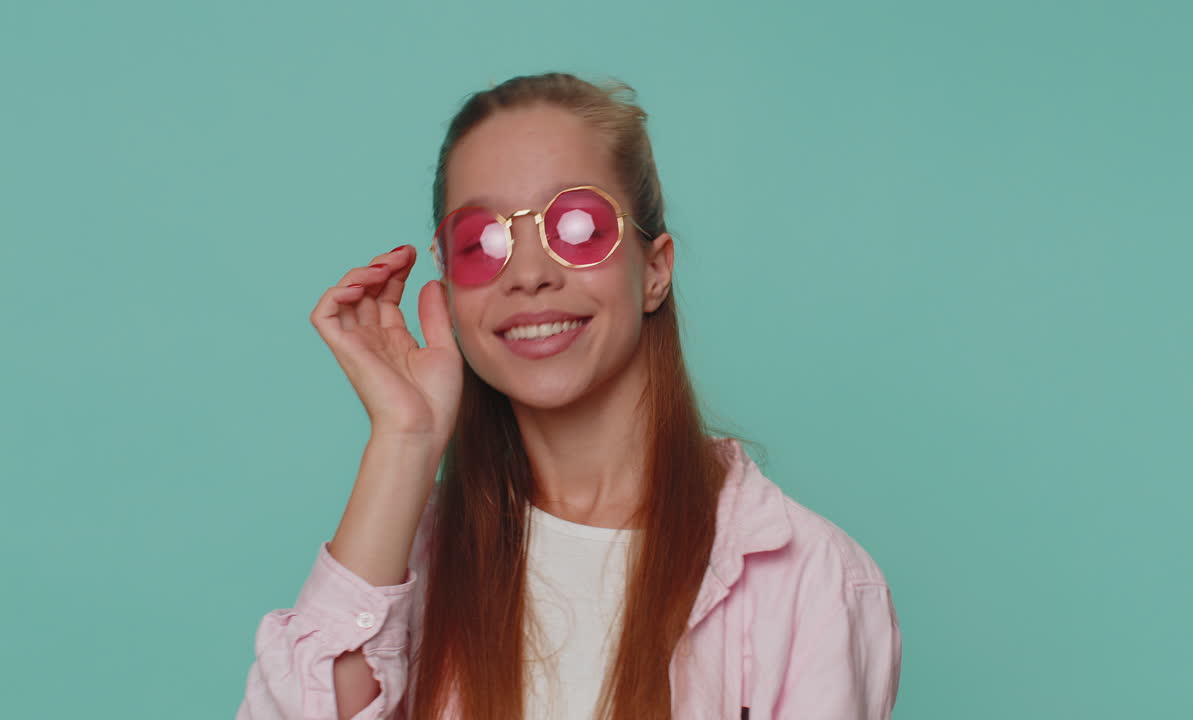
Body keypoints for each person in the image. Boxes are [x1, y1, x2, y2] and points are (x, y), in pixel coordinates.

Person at [235, 71, 901, 720]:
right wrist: (403, 441)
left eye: (576, 227)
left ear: (656, 272)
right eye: (482, 242)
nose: (527, 274)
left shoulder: (814, 584)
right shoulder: (401, 560)